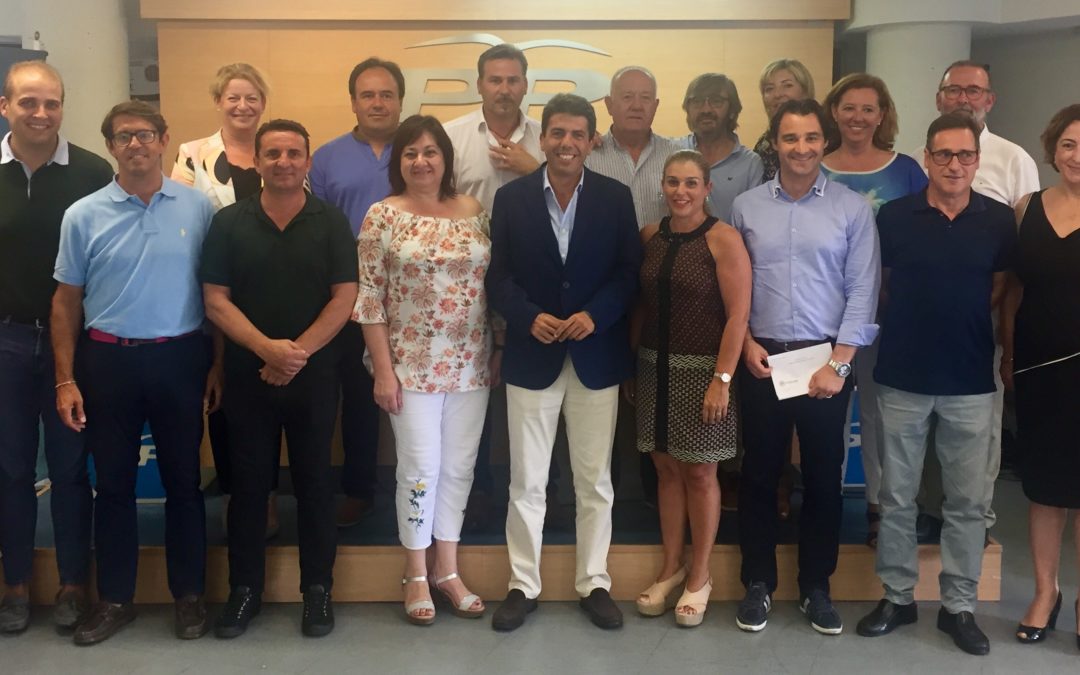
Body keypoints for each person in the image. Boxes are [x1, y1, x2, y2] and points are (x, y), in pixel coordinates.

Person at [52, 101, 217, 645]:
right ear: (111, 147)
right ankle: (115, 599)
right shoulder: (83, 214)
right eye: (123, 137)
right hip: (107, 361)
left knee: (184, 485)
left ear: (165, 140)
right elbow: (65, 302)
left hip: (179, 357)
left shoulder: (199, 209)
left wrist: (216, 365)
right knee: (115, 486)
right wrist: (65, 378)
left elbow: (216, 296)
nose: (136, 145)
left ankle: (189, 597)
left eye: (145, 134)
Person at [855, 112, 1016, 657]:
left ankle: (959, 606)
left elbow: (998, 287)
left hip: (971, 380)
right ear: (926, 158)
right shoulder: (895, 218)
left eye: (964, 155)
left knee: (969, 502)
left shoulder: (997, 220)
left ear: (977, 160)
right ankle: (897, 597)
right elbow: (882, 288)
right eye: (943, 154)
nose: (953, 164)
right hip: (902, 376)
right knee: (897, 498)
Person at [487, 93, 640, 632]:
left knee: (594, 480)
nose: (567, 143)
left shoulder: (617, 198)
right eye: (557, 133)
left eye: (578, 134)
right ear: (542, 138)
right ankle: (522, 585)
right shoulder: (511, 200)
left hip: (595, 356)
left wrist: (596, 315)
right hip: (533, 355)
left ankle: (594, 582)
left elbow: (629, 273)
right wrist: (527, 316)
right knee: (527, 480)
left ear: (592, 141)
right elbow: (497, 277)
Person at [201, 119, 357, 639]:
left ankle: (317, 591)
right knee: (248, 489)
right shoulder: (228, 223)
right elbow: (215, 300)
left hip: (313, 379)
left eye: (294, 153)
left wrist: (296, 353)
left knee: (315, 485)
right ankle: (244, 591)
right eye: (273, 154)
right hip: (249, 377)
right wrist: (266, 349)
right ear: (258, 162)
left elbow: (345, 296)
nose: (284, 162)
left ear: (308, 162)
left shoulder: (331, 222)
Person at [732, 99, 879, 636]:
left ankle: (817, 586)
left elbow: (863, 290)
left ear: (825, 141)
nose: (802, 149)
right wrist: (744, 342)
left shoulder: (851, 208)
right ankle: (758, 583)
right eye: (791, 139)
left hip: (825, 361)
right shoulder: (746, 207)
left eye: (812, 138)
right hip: (763, 357)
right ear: (776, 142)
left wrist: (839, 365)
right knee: (759, 473)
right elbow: (734, 288)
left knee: (823, 477)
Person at [355, 114, 499, 625]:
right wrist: (383, 371)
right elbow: (369, 298)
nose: (421, 161)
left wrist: (497, 347)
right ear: (399, 162)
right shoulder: (383, 216)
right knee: (420, 467)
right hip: (409, 366)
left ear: (446, 159)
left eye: (431, 151)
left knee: (459, 468)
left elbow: (490, 286)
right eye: (411, 152)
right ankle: (415, 571)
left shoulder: (474, 211)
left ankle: (448, 568)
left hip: (471, 362)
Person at [0, 60, 111, 635]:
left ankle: (73, 585)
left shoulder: (93, 173)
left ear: (63, 107)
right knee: (10, 468)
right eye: (28, 102)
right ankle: (14, 585)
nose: (41, 113)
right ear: (5, 106)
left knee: (70, 469)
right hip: (6, 342)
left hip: (75, 345)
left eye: (51, 103)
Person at [913, 60, 1040, 544]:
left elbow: (1022, 250)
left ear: (990, 100)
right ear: (939, 97)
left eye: (974, 91)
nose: (964, 98)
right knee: (922, 424)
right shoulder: (918, 157)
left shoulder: (1013, 159)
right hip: (923, 323)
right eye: (954, 90)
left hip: (983, 322)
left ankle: (975, 521)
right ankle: (929, 510)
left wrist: (991, 310)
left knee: (978, 431)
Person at [631, 150, 750, 627]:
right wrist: (629, 366)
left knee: (701, 474)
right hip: (653, 368)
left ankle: (699, 576)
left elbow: (738, 316)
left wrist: (721, 380)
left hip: (703, 373)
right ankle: (670, 566)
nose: (681, 191)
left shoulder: (723, 239)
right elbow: (639, 307)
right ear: (663, 185)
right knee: (665, 470)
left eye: (691, 183)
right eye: (673, 182)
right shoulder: (649, 237)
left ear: (707, 189)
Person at [170, 62, 278, 536]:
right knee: (227, 400)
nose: (242, 105)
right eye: (233, 97)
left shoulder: (279, 148)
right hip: (214, 297)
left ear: (263, 103)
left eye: (251, 97)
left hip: (273, 297)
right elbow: (177, 223)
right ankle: (238, 495)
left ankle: (269, 498)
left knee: (274, 402)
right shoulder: (193, 154)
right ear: (218, 101)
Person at [821, 72, 928, 547]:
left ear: (882, 114)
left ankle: (881, 506)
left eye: (868, 108)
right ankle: (824, 499)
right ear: (834, 112)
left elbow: (926, 236)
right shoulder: (814, 167)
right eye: (849, 107)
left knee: (882, 413)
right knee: (829, 412)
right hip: (825, 317)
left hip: (891, 316)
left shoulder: (905, 170)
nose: (858, 117)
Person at [444, 44, 544, 524]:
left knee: (535, 388)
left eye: (513, 80)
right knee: (472, 386)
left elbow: (574, 195)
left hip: (537, 281)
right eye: (494, 80)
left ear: (526, 85)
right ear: (479, 84)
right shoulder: (452, 137)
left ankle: (544, 493)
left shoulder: (550, 140)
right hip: (466, 283)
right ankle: (477, 489)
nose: (504, 89)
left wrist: (535, 170)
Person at [310, 57, 406, 528]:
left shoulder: (417, 149)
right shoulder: (326, 157)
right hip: (349, 297)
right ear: (353, 101)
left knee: (416, 397)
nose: (377, 102)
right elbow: (321, 229)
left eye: (386, 94)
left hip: (414, 298)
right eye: (367, 94)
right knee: (355, 395)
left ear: (401, 101)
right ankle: (358, 488)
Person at [1000, 104, 1080, 649]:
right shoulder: (1024, 207)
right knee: (1045, 490)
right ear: (1053, 148)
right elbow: (1011, 292)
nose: (1078, 156)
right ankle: (1044, 592)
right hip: (1038, 368)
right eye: (1070, 144)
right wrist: (1007, 355)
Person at [586, 65, 676, 229]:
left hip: (663, 254)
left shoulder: (674, 156)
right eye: (627, 97)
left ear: (655, 106)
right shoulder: (588, 156)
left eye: (645, 98)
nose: (637, 106)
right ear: (609, 104)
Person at [674, 73, 763, 222]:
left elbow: (753, 225)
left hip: (731, 245)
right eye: (697, 101)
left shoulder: (750, 164)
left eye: (716, 101)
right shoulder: (674, 153)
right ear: (687, 109)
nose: (706, 109)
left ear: (732, 110)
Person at [753, 59, 815, 183]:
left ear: (805, 91)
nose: (777, 94)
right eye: (769, 88)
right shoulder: (763, 145)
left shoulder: (824, 137)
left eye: (787, 86)